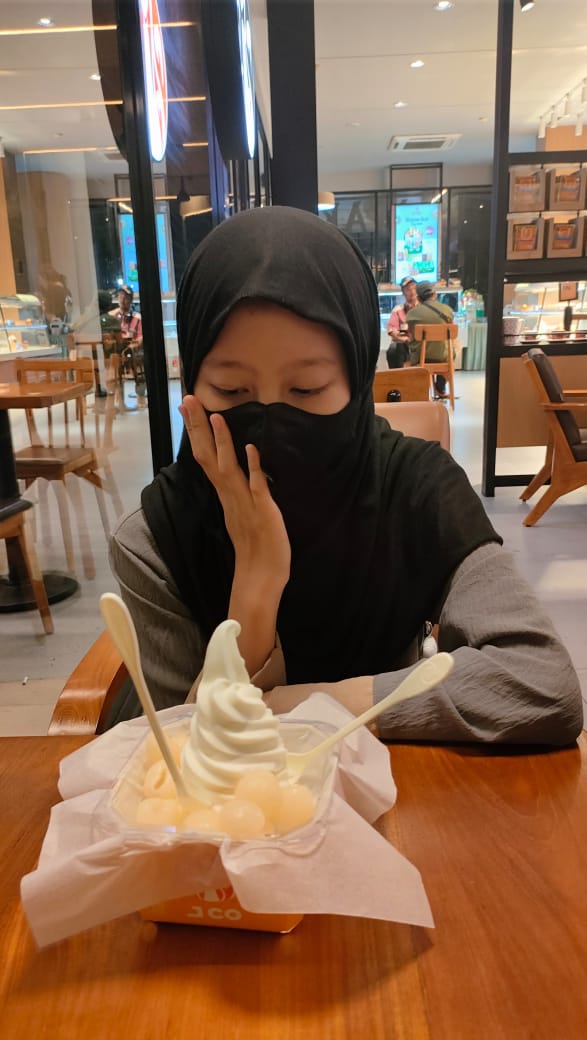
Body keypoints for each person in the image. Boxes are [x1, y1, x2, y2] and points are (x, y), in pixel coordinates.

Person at [109, 206, 582, 746]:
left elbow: (541, 682)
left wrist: (296, 706)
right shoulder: (157, 537)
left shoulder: (415, 489)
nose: (269, 425)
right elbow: (179, 753)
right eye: (231, 391)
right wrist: (257, 584)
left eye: (307, 389)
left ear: (357, 384)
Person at [405, 281, 454, 397]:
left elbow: (411, 336)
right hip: (443, 357)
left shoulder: (412, 314)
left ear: (418, 297)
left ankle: (418, 391)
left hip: (421, 357)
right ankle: (440, 388)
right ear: (434, 294)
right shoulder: (447, 310)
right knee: (451, 347)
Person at [110, 285, 146, 406]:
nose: (122, 299)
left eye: (125, 297)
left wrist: (134, 345)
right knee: (114, 365)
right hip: (117, 349)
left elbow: (140, 337)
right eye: (120, 296)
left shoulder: (137, 317)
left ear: (130, 299)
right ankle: (120, 400)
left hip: (133, 348)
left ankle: (141, 397)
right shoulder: (112, 316)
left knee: (140, 367)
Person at [386, 275, 417, 369]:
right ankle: (397, 376)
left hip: (420, 345)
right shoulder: (398, 310)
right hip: (403, 344)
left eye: (414, 288)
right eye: (408, 289)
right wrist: (406, 339)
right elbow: (392, 331)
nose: (412, 292)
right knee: (394, 349)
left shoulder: (422, 309)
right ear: (403, 293)